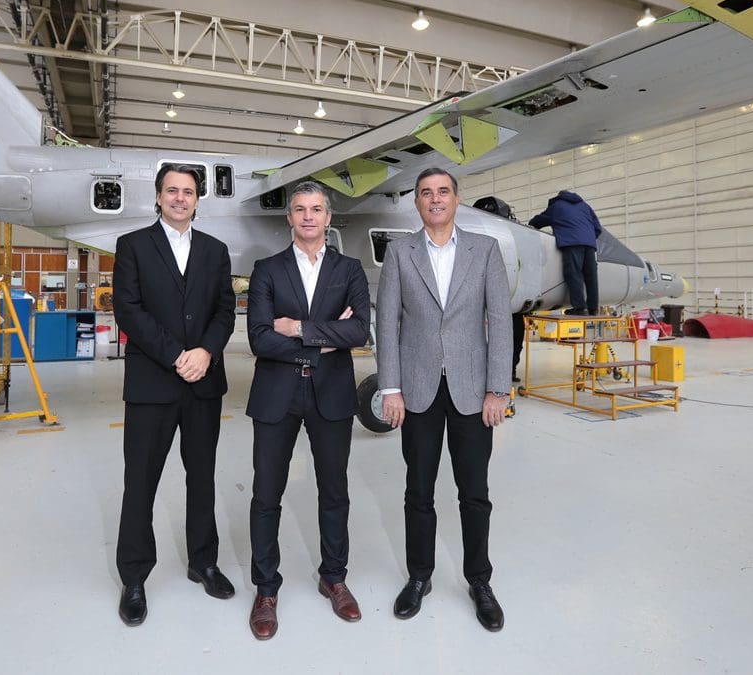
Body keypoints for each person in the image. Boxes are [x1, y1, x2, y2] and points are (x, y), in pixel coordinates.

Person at [376, 167, 512, 632]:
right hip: (417, 391)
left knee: (475, 493)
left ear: (456, 199)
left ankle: (479, 581)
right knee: (419, 491)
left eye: (443, 192)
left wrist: (498, 389)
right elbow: (387, 323)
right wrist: (390, 388)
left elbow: (501, 321)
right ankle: (419, 576)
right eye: (425, 193)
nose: (435, 199)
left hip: (473, 391)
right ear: (416, 202)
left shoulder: (485, 250)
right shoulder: (400, 253)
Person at [112, 163, 237, 627]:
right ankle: (134, 577)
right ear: (158, 197)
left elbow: (225, 310)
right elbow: (128, 309)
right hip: (153, 384)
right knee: (140, 482)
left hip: (203, 383)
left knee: (201, 478)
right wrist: (176, 356)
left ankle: (204, 562)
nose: (180, 198)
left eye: (188, 191)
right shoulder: (133, 246)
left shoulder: (215, 251)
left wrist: (206, 351)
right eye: (172, 190)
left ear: (197, 199)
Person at [244, 181, 371, 640]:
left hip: (331, 395)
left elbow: (359, 330)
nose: (309, 216)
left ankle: (334, 577)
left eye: (317, 209)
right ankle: (266, 589)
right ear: (289, 218)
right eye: (300, 209)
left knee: (334, 491)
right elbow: (259, 337)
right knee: (266, 494)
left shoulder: (349, 269)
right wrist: (325, 339)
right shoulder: (267, 270)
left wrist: (298, 328)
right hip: (277, 394)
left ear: (328, 217)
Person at [528, 190, 602, 315]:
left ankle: (580, 308)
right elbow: (598, 228)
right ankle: (593, 308)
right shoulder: (585, 206)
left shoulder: (557, 206)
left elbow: (538, 221)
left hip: (572, 243)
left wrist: (530, 224)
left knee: (574, 274)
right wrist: (587, 238)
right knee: (591, 276)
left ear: (559, 197)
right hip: (589, 245)